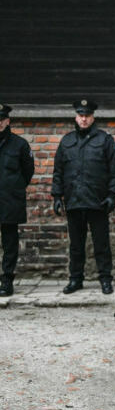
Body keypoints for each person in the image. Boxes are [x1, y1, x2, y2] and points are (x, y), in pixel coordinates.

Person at [51, 99, 115, 294]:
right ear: (76, 116)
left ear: (92, 117)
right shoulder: (67, 141)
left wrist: (112, 195)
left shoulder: (105, 140)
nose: (83, 119)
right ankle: (75, 279)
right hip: (74, 200)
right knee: (76, 245)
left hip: (97, 202)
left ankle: (105, 279)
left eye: (87, 116)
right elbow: (58, 170)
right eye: (81, 115)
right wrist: (57, 196)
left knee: (101, 244)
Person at [0, 104, 35, 297]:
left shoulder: (19, 145)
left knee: (10, 242)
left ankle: (7, 280)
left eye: (1, 120)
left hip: (9, 200)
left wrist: (14, 187)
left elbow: (27, 171)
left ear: (7, 120)